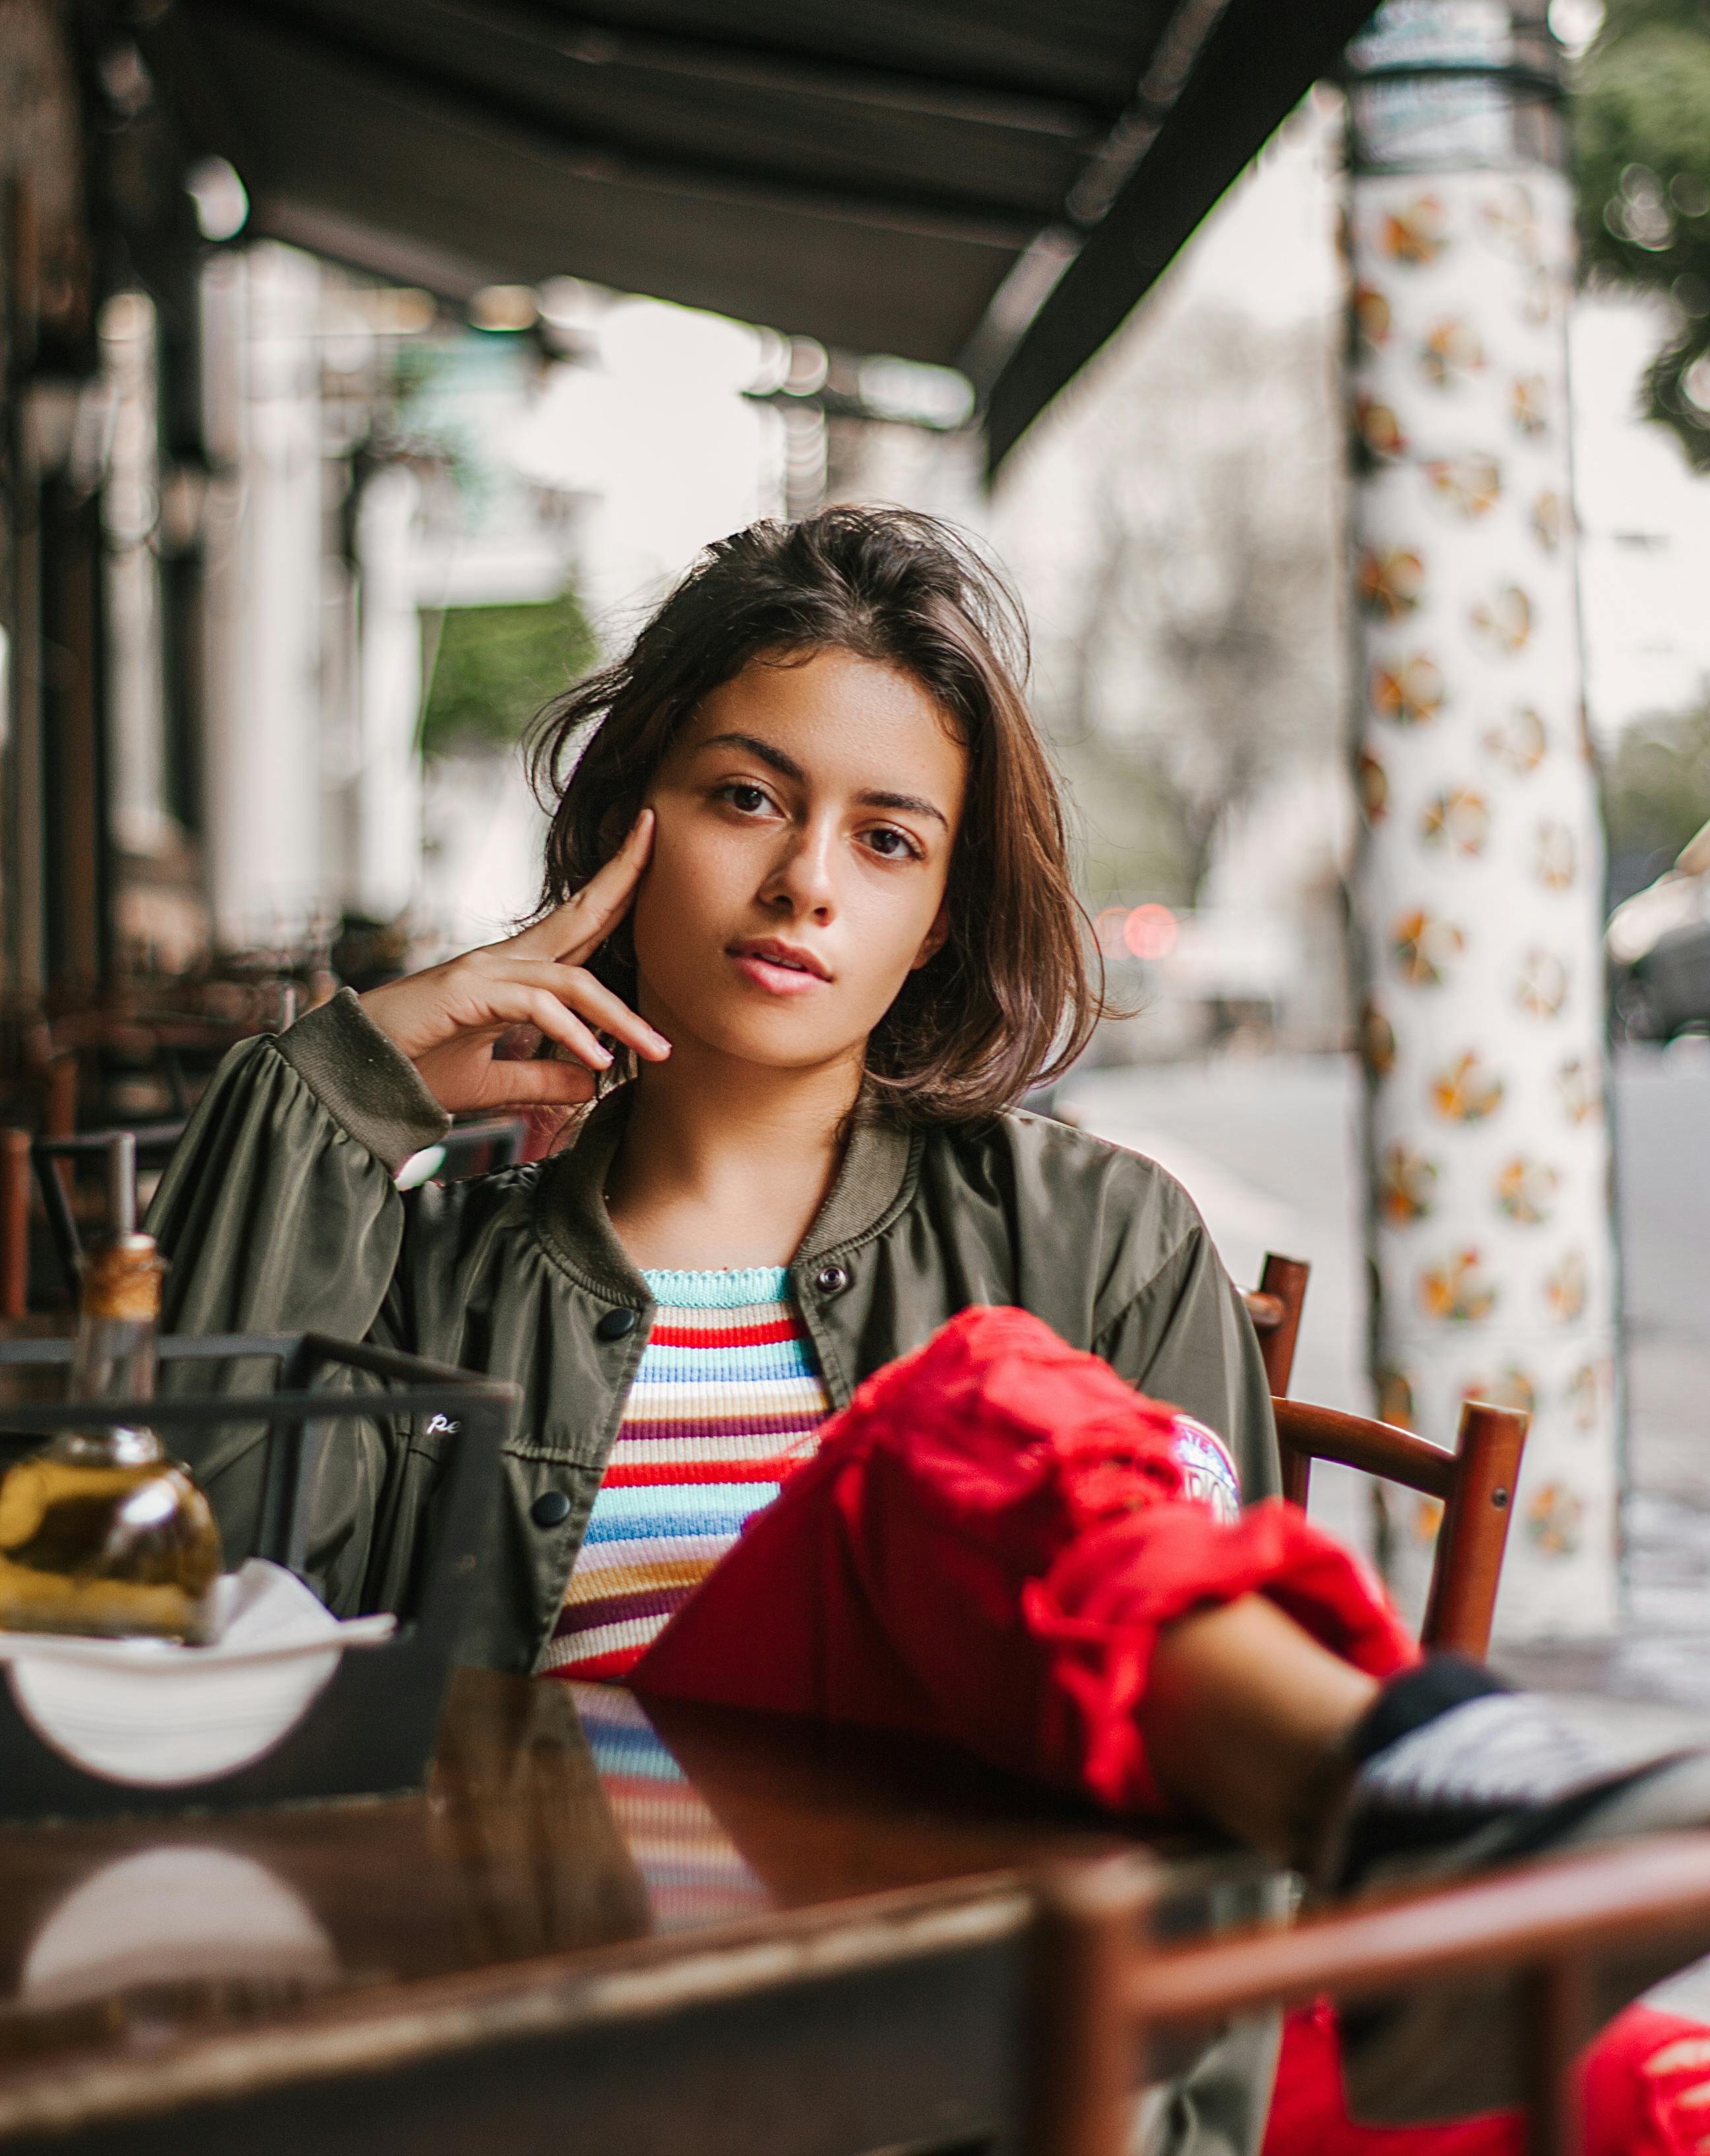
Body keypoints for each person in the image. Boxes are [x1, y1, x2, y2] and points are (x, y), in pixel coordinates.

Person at [154, 509, 1710, 2152]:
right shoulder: (431, 1271)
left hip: (997, 2075)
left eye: (888, 840)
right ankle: (1424, 1789)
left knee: (1654, 2094)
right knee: (956, 1419)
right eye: (745, 796)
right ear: (629, 822)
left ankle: (1425, 1804)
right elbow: (190, 1637)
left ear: (945, 914)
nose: (805, 882)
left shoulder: (1096, 1239)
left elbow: (1203, 1882)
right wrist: (330, 1090)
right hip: (584, 2059)